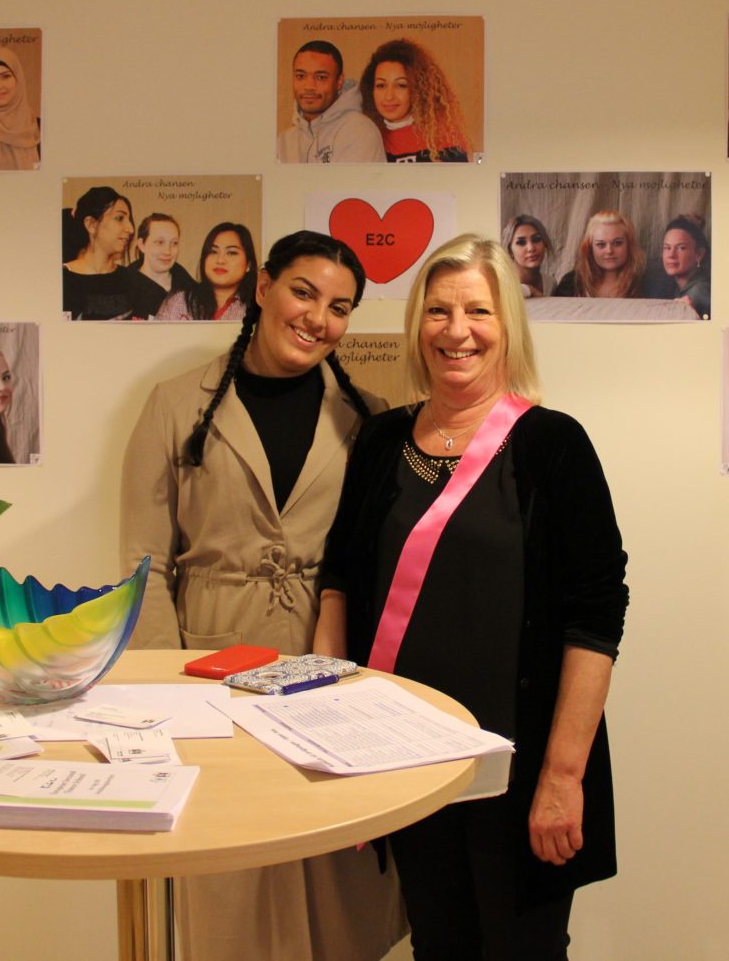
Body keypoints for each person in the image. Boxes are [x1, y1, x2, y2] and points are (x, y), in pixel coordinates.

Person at [316, 234, 629, 959]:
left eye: (478, 311)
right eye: (439, 311)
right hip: (408, 767)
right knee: (437, 945)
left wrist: (561, 777)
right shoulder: (382, 439)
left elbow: (596, 617)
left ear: (507, 326)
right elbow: (340, 577)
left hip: (516, 777)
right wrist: (329, 713)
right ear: (417, 326)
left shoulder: (553, 445)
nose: (457, 331)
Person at [121, 230, 406, 961]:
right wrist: (166, 697)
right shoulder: (175, 404)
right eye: (304, 292)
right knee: (232, 875)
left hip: (329, 660)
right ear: (264, 286)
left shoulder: (369, 419)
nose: (318, 318)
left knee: (338, 875)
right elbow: (144, 565)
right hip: (210, 661)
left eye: (340, 307)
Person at [359, 38, 469, 163]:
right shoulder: (368, 137)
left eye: (401, 85)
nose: (389, 96)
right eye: (381, 85)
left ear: (418, 89)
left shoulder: (442, 137)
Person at [277, 40, 385, 163]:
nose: (309, 86)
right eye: (301, 76)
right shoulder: (283, 142)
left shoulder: (359, 131)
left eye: (320, 77)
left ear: (339, 81)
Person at [62, 186, 138, 320]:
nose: (131, 229)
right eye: (119, 218)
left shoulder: (133, 280)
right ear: (91, 224)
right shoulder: (63, 280)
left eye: (129, 220)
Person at [155, 222, 257, 321]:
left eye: (231, 253)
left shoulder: (258, 307)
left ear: (248, 264)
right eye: (213, 252)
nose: (220, 260)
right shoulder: (179, 301)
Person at [553, 209, 645, 298]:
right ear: (589, 247)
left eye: (617, 243)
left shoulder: (643, 283)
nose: (609, 251)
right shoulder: (571, 283)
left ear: (629, 245)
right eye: (601, 244)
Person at [126, 213, 195, 318]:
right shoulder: (123, 289)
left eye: (174, 243)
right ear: (141, 245)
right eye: (160, 242)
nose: (167, 251)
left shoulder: (190, 289)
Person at [650, 214, 710, 318]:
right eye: (667, 248)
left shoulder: (699, 292)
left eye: (681, 248)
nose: (671, 255)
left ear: (699, 254)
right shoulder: (679, 287)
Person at [502, 214, 556, 298]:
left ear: (545, 244)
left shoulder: (550, 283)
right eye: (521, 242)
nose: (531, 248)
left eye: (536, 239)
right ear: (510, 250)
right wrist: (529, 290)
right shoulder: (501, 283)